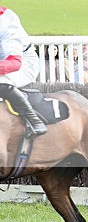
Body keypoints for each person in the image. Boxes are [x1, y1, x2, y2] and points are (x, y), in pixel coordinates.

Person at [0, 7, 48, 135]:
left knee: (1, 80)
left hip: (24, 63)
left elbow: (14, 63)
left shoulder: (6, 21)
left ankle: (33, 120)